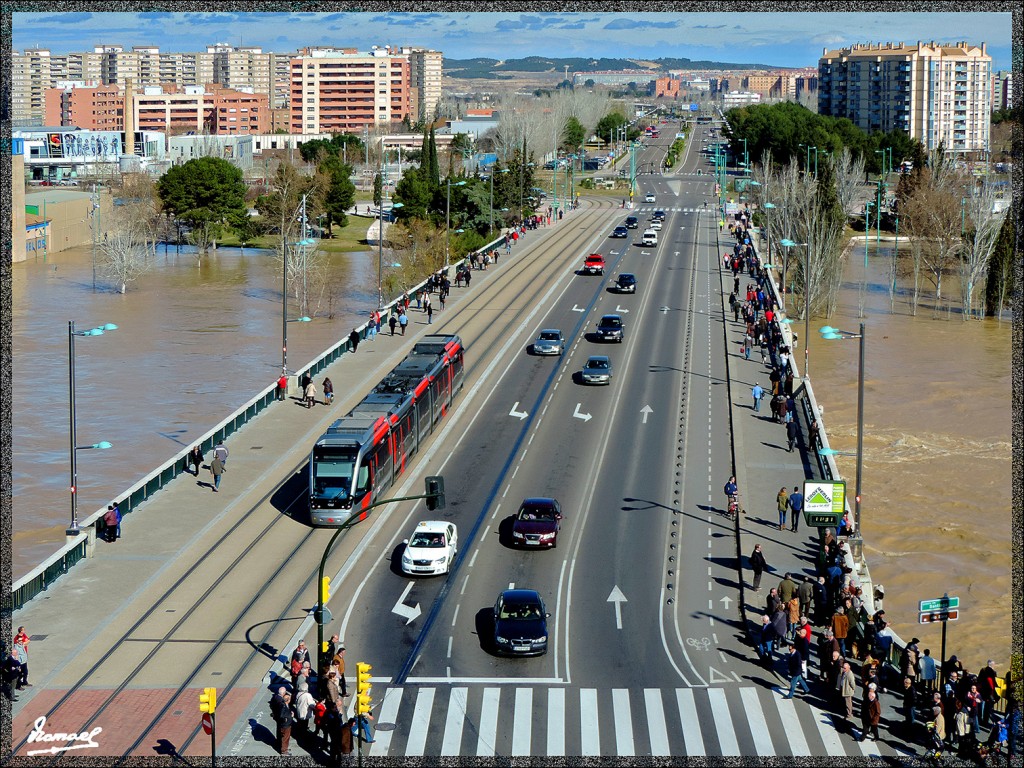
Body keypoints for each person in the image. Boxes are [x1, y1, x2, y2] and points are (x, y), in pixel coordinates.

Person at [270, 686, 293, 755]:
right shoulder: (282, 703)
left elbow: (272, 706)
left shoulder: (275, 697)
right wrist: (288, 717)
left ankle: (281, 745)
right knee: (285, 736)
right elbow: (282, 714)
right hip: (284, 723)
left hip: (278, 719)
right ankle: (284, 750)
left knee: (280, 733)